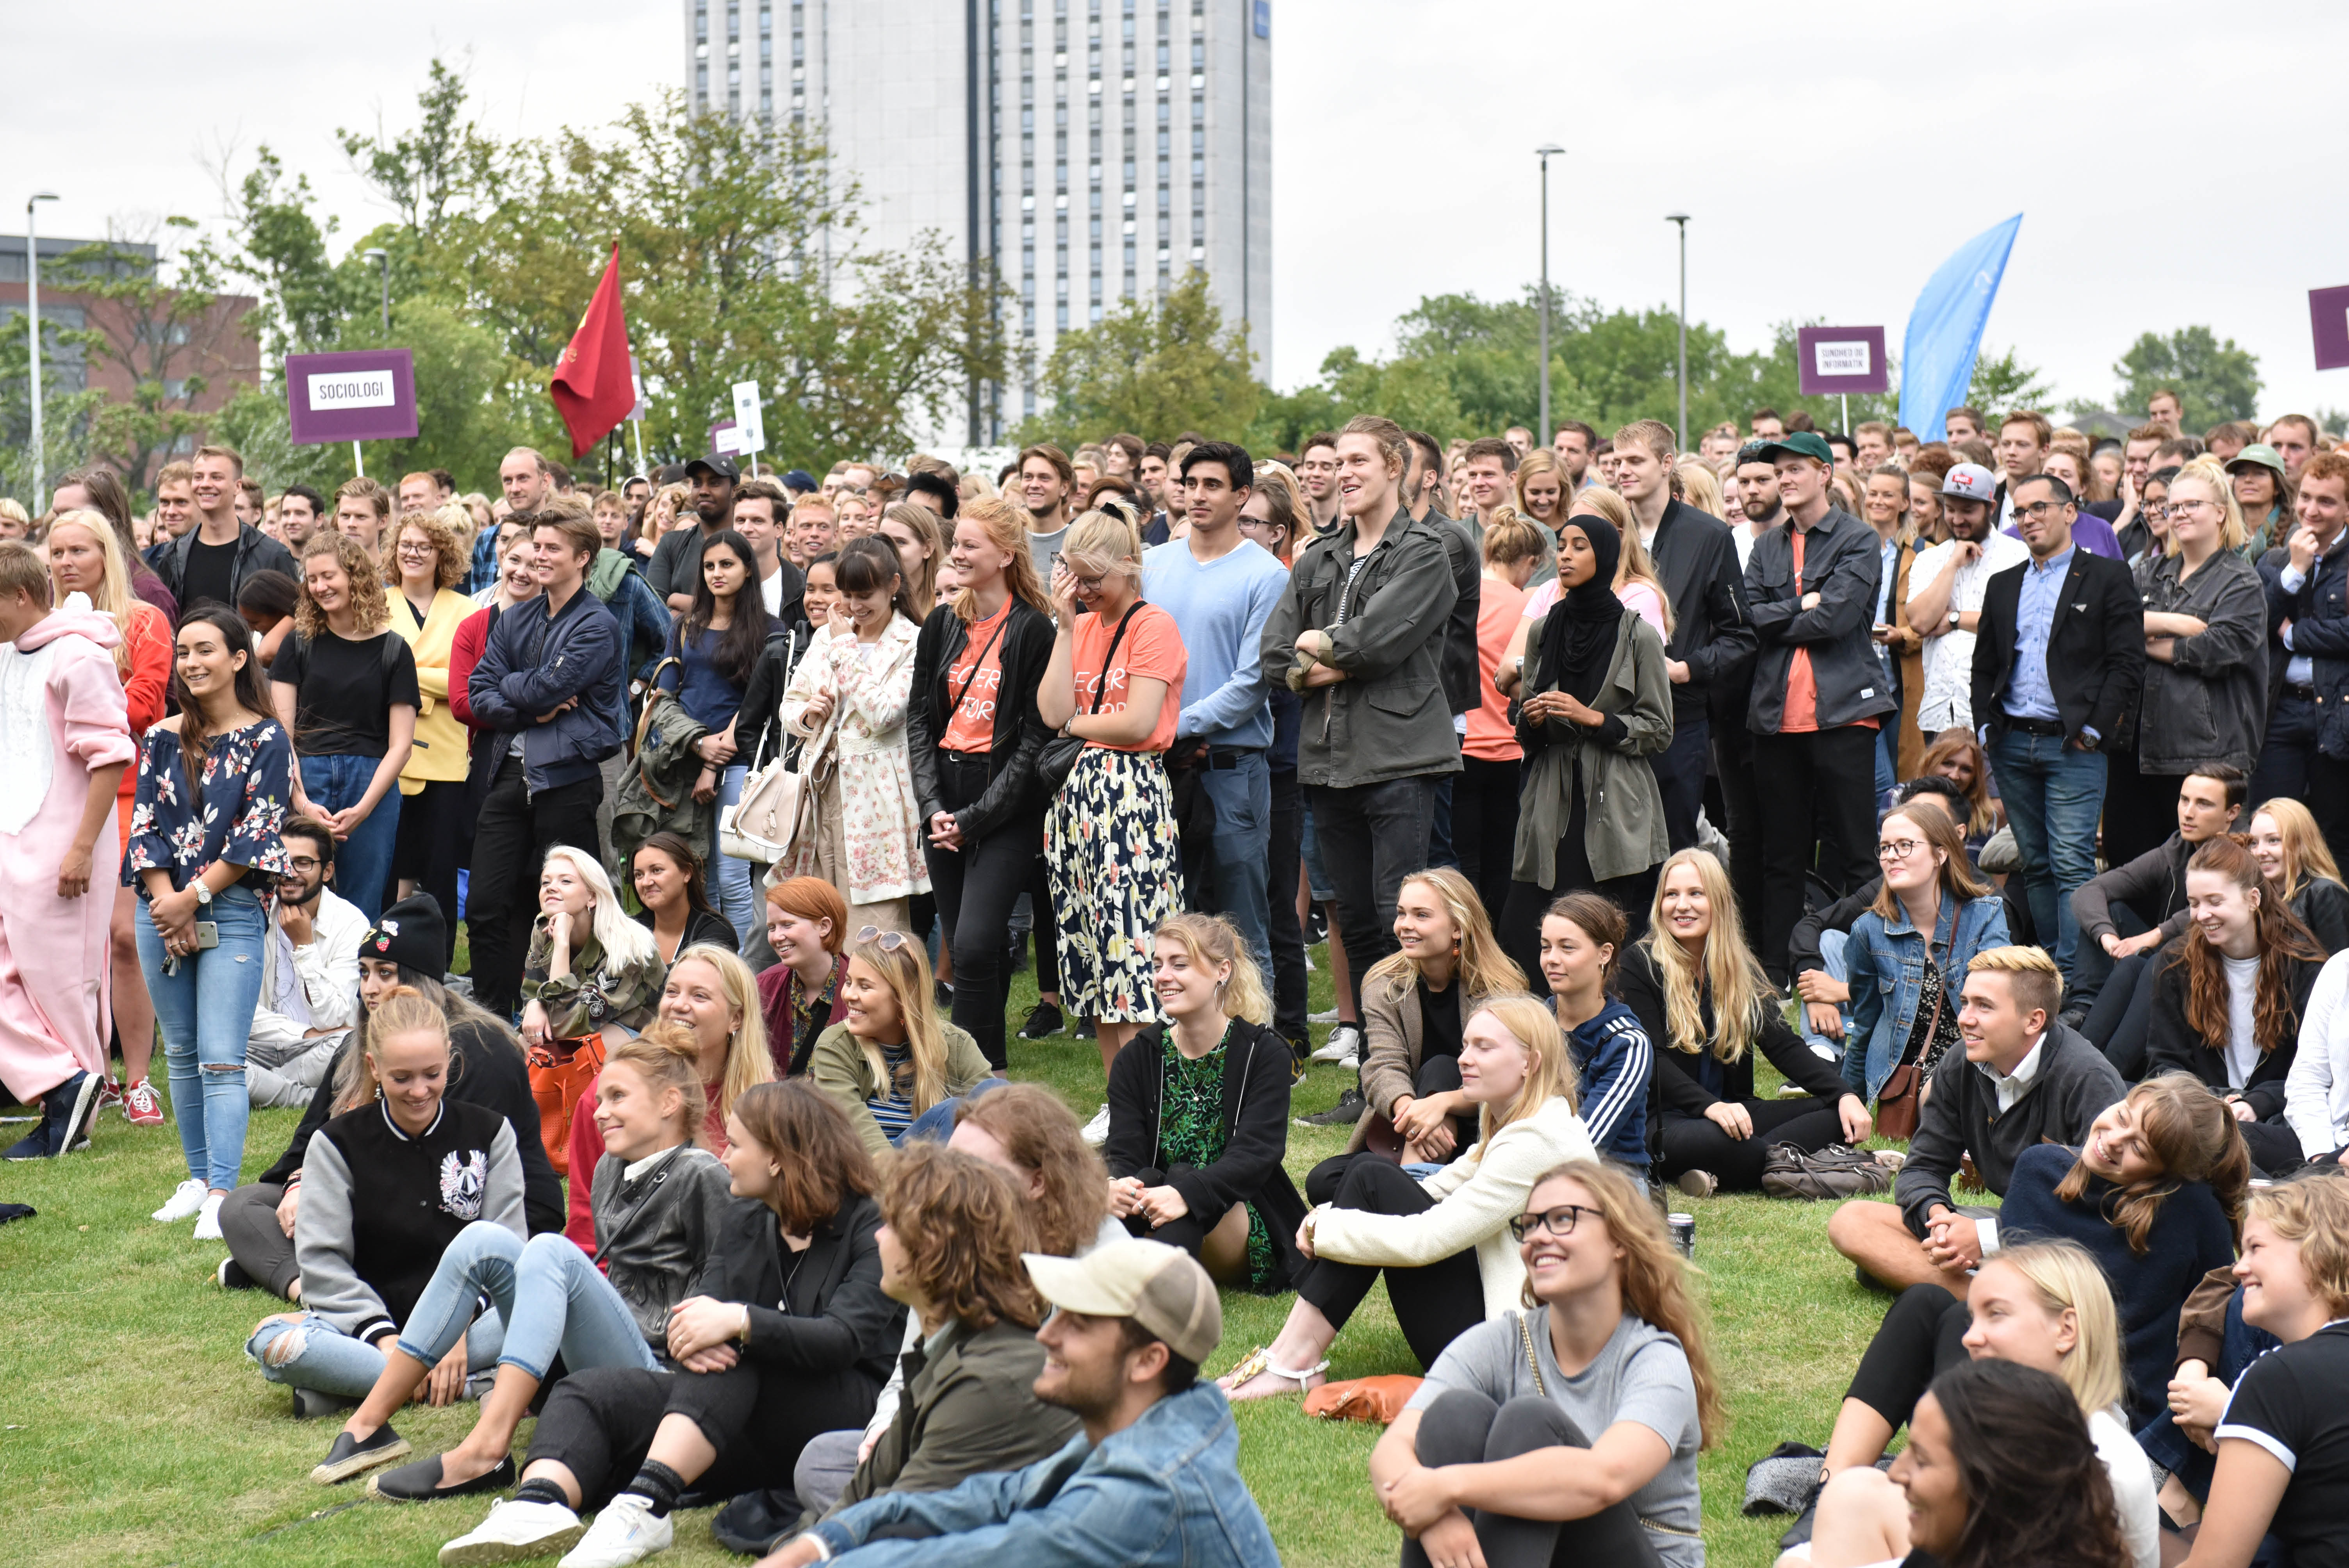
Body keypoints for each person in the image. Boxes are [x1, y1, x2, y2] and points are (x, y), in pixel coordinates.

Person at [432, 1081, 900, 1568]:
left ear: (778, 1159)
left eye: (735, 1145)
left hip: (844, 1412)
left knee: (737, 1354)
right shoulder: (747, 1216)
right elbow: (697, 1310)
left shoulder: (870, 1225)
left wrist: (739, 1321)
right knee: (590, 1391)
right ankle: (538, 1504)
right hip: (740, 1406)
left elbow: (843, 1339)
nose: (723, 1157)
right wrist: (694, 1334)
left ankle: (645, 1506)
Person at [320, 1027, 736, 1499]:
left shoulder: (701, 1173)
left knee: (549, 1249)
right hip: (603, 1361)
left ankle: (487, 1449)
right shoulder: (611, 1168)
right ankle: (369, 1424)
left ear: (669, 1102)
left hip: (661, 1382)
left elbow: (731, 1283)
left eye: (618, 1097)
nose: (599, 1111)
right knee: (482, 1240)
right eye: (601, 1098)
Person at [739, 1238, 1275, 1568]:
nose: (1046, 1335)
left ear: (1147, 1361)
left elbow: (986, 1556)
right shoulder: (1139, 1431)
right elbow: (986, 1501)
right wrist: (826, 1542)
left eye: (1079, 1324)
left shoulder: (1147, 1490)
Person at [1224, 996, 1595, 1397]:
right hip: (1505, 1337)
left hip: (1516, 1365)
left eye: (1484, 1047)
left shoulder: (1537, 1140)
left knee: (1370, 1177)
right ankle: (1289, 1354)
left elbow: (1427, 1239)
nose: (1465, 1059)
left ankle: (1292, 1359)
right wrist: (1332, 1213)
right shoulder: (1528, 1120)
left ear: (1530, 1062)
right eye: (1465, 1045)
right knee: (1370, 1177)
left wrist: (1329, 1229)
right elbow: (1439, 1186)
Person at [737, 1141, 1084, 1556]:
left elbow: (896, 1520)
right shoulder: (944, 1347)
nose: (877, 1235)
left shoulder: (989, 1375)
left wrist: (806, 1551)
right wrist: (808, 1544)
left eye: (890, 1223)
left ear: (934, 1246)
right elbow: (863, 1490)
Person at [1370, 1159, 1718, 1568]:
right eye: (1530, 1224)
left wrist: (1446, 1487)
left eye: (1563, 1219)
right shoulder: (1502, 1342)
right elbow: (1392, 1449)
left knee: (1531, 1423)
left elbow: (1603, 1479)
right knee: (1452, 1412)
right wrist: (1436, 1518)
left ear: (1619, 1240)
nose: (1538, 1236)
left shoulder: (1655, 1359)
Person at [217, 895, 564, 1302]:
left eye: (386, 973)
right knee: (243, 1207)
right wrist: (298, 1184)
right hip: (380, 1199)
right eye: (364, 973)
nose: (371, 988)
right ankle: (308, 1287)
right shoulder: (358, 1045)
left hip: (474, 1210)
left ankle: (308, 1272)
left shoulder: (478, 1049)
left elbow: (449, 1176)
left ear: (421, 981)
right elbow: (308, 1144)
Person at [1260, 415, 1461, 1035]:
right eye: (1338, 462)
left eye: (1357, 462)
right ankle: (1376, 1066)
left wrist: (1323, 646)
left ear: (1394, 468)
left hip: (1400, 758)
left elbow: (1375, 643)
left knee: (1403, 920)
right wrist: (1323, 663)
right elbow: (1274, 655)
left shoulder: (1425, 552)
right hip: (1328, 763)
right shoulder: (1318, 556)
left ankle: (1424, 1058)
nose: (1343, 474)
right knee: (1356, 921)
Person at [242, 985, 527, 1412]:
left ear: (450, 1057)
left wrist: (456, 1328)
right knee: (274, 1343)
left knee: (550, 1307)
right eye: (402, 1078)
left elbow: (509, 1252)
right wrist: (385, 1338)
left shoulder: (491, 1133)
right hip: (369, 1332)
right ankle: (468, 1383)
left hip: (473, 1327)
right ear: (374, 1066)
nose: (419, 1091)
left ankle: (358, 1388)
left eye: (432, 1074)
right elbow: (323, 1265)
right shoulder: (335, 1143)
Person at [1791, 1240, 2159, 1568]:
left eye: (1995, 1314)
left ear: (2066, 1330)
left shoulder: (2105, 1463)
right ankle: (1826, 1493)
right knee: (1853, 1492)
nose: (1969, 1338)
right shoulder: (2010, 1422)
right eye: (1972, 1318)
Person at [122, 605, 292, 1229]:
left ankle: (223, 1194)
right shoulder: (161, 738)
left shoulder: (268, 739)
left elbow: (256, 838)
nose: (191, 664)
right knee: (182, 1052)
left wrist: (189, 900)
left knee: (222, 1058)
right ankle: (197, 1180)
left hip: (232, 908)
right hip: (160, 909)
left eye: (205, 651)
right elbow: (144, 828)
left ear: (240, 659)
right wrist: (167, 905)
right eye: (184, 653)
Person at [1829, 946, 2125, 1293]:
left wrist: (1988, 1239)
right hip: (2012, 1228)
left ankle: (1984, 1294)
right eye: (1965, 1002)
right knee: (1852, 1222)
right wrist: (1939, 1219)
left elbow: (2105, 1208)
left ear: (2034, 1021)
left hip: (2074, 1241)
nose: (1965, 1018)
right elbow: (1923, 1167)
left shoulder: (2087, 1078)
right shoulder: (1962, 1062)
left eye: (1984, 1006)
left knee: (1886, 1260)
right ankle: (1996, 1293)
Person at [1971, 471, 2147, 981]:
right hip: (2011, 742)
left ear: (2070, 511)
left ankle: (2079, 984)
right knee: (2035, 863)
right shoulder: (2004, 583)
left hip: (2074, 746)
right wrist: (1986, 730)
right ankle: (2052, 974)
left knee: (2072, 864)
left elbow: (2127, 662)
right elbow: (1985, 664)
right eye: (2020, 511)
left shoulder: (2107, 576)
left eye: (2039, 508)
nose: (2028, 519)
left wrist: (2094, 732)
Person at [1617, 849, 1870, 1196]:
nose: (1682, 905)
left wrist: (1844, 1094)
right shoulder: (1638, 965)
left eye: (1696, 893)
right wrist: (1711, 1107)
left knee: (1835, 1114)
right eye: (1671, 895)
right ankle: (1781, 1161)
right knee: (1724, 1140)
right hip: (1662, 1119)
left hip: (1733, 1112)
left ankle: (1727, 1170)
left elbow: (1783, 1045)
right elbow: (1652, 1062)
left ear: (1719, 902)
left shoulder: (1737, 968)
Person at [906, 499, 1055, 1071]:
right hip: (944, 795)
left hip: (1006, 801)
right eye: (957, 544)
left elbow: (1035, 741)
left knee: (970, 944)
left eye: (971, 545)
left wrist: (974, 820)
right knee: (975, 946)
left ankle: (964, 1074)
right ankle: (989, 1069)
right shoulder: (942, 623)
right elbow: (920, 720)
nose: (957, 555)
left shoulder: (1033, 629)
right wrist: (933, 806)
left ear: (1006, 556)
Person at [1039, 509, 1187, 1078]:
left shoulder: (1154, 625)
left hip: (1130, 802)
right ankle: (1122, 1103)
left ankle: (1152, 1101)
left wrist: (1076, 726)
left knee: (1135, 955)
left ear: (1128, 566)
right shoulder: (1080, 627)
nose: (1084, 590)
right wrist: (1065, 626)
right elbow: (1051, 710)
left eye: (1094, 578)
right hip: (1076, 805)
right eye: (1074, 577)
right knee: (1094, 960)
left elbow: (1137, 723)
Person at [1495, 505, 1671, 979]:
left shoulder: (1637, 635)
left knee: (1599, 932)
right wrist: (1531, 717)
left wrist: (1594, 718)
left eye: (1579, 546)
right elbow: (1525, 727)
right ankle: (1533, 1021)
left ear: (1606, 555)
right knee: (1521, 929)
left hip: (1613, 802)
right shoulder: (1544, 628)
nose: (1565, 556)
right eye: (1561, 546)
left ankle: (1602, 1020)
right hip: (1548, 798)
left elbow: (1659, 729)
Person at [1744, 433, 1896, 982]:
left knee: (1858, 853)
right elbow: (1746, 618)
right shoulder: (1766, 546)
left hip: (1844, 715)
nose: (1783, 479)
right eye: (1778, 471)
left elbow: (1834, 620)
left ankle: (1867, 968)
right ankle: (1779, 973)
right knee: (1781, 855)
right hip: (1775, 719)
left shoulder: (1858, 538)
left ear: (1825, 473)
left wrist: (1781, 616)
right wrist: (1799, 603)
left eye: (1794, 469)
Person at [466, 510, 629, 1019]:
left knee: (565, 911)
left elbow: (547, 687)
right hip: (507, 777)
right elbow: (479, 691)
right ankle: (494, 1021)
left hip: (567, 778)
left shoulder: (597, 624)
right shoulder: (514, 618)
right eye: (536, 546)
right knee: (485, 906)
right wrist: (529, 703)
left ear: (583, 558)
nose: (539, 556)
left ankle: (568, 1016)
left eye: (552, 548)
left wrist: (517, 687)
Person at [0, 542, 133, 1160]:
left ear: (22, 596)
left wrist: (82, 850)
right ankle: (62, 1086)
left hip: (64, 849)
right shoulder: (9, 654)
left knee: (63, 986)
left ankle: (70, 1118)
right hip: (14, 841)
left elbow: (111, 756)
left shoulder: (80, 655)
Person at [42, 508, 171, 1126]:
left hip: (128, 792)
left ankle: (138, 1078)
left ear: (106, 556)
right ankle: (85, 1077)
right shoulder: (37, 630)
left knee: (124, 937)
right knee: (66, 944)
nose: (67, 563)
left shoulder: (143, 622)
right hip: (54, 797)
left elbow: (141, 709)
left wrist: (79, 704)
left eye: (79, 551)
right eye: (57, 552)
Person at [1142, 442, 1289, 976]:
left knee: (1240, 928)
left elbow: (1251, 684)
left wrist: (1168, 725)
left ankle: (1256, 1032)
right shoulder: (1151, 564)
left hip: (1230, 769)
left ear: (1241, 495)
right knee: (1166, 924)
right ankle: (1178, 1032)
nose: (1198, 496)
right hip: (1155, 767)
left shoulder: (1267, 575)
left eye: (1213, 485)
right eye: (1190, 484)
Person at [1104, 914, 1305, 1290]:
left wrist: (1185, 1193)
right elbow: (1124, 1149)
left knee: (1182, 1175)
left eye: (1179, 965)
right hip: (1155, 1207)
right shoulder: (1137, 1057)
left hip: (1236, 1219)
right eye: (1158, 965)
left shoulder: (1263, 1053)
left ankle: (1158, 1294)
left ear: (1222, 971)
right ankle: (1124, 1280)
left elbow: (1255, 1155)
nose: (1163, 976)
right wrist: (1116, 1185)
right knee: (1144, 1180)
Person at [2106, 460, 2268, 871]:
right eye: (2173, 506)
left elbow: (2219, 648)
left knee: (2205, 872)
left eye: (2191, 504)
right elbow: (2107, 626)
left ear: (2221, 512)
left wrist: (2144, 639)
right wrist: (2174, 624)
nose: (2178, 513)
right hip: (2135, 749)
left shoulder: (2240, 581)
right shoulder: (2147, 572)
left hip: (2205, 753)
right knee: (2130, 865)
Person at [1610, 420, 1758, 853]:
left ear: (1666, 463)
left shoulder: (1708, 535)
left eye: (1635, 460)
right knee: (1613, 850)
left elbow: (1741, 634)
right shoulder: (1606, 530)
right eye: (1618, 461)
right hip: (1607, 715)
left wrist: (1687, 668)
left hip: (1678, 715)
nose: (1623, 470)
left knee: (1674, 847)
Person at [564, 946, 775, 1246]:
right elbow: (587, 1226)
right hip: (624, 1269)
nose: (679, 1005)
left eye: (699, 996)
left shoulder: (764, 1101)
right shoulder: (611, 1096)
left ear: (736, 1019)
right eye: (672, 992)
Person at [776, 535, 929, 939]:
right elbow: (789, 707)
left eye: (865, 595)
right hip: (817, 791)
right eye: (847, 595)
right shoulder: (827, 635)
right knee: (815, 918)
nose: (855, 605)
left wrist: (846, 647)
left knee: (874, 929)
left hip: (876, 797)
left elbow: (884, 714)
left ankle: (879, 984)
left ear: (893, 586)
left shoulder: (912, 642)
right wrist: (808, 714)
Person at [2144, 837, 2324, 1174]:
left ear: (2253, 899)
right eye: (2194, 903)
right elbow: (2165, 1062)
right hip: (2201, 1116)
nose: (2202, 915)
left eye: (2215, 901)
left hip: (2280, 1119)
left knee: (2229, 1142)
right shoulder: (2176, 964)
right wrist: (2208, 1103)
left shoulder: (2304, 967)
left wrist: (2257, 1102)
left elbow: (2316, 1073)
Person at [1338, 868, 1528, 1173]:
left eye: (1422, 915)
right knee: (1323, 1181)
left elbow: (1508, 1081)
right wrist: (1414, 1114)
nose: (1405, 925)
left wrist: (1443, 1103)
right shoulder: (1383, 984)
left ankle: (1409, 1188)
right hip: (1410, 1129)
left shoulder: (1500, 989)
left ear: (1457, 928)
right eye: (1402, 913)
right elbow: (1383, 1067)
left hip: (1484, 1126)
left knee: (1442, 1067)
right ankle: (1417, 1182)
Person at [273, 532, 419, 922]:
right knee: (297, 897)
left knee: (361, 907)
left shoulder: (394, 650)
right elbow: (282, 735)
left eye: (329, 576)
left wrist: (364, 808)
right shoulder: (298, 643)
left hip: (371, 781)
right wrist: (301, 801)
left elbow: (401, 745)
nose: (320, 587)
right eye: (312, 579)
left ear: (355, 577)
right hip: (307, 775)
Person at [1843, 803, 2013, 1113]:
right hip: (1914, 1072)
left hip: (1981, 1055)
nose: (1891, 856)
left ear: (1940, 854)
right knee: (1945, 1091)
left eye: (1905, 845)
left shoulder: (1985, 915)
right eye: (1885, 848)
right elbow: (1865, 1022)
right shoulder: (1868, 931)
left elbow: (1998, 1001)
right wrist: (1844, 1100)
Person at [656, 526, 775, 943]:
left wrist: (713, 761)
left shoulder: (769, 628)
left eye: (727, 564)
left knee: (732, 876)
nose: (717, 573)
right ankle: (701, 960)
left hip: (739, 760)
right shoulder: (685, 625)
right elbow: (665, 695)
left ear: (748, 569)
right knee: (694, 875)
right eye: (709, 566)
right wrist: (695, 745)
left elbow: (757, 702)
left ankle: (737, 968)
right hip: (684, 756)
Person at [2074, 768, 2247, 1047]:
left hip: (2209, 965)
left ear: (2232, 813)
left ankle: (2108, 1063)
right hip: (2167, 954)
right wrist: (2108, 938)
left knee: (2154, 963)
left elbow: (2212, 912)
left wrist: (2156, 935)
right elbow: (2090, 891)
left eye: (2203, 804)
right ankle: (2082, 1008)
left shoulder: (2244, 852)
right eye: (2184, 800)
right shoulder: (2177, 848)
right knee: (2112, 916)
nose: (2188, 813)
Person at [806, 924, 993, 1159]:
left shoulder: (954, 1044)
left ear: (904, 997)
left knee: (993, 1093)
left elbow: (1003, 1118)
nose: (849, 995)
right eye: (849, 982)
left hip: (942, 1170)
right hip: (878, 1172)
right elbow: (856, 1136)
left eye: (864, 986)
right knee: (953, 1110)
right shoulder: (837, 1046)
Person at [384, 506, 475, 950]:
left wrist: (405, 678)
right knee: (390, 865)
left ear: (442, 554)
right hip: (390, 756)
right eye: (406, 545)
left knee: (440, 869)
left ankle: (437, 961)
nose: (414, 553)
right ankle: (384, 954)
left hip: (446, 757)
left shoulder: (467, 609)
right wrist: (437, 681)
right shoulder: (376, 605)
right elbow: (372, 674)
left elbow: (470, 680)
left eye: (425, 546)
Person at [2251, 449, 2349, 858]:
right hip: (2280, 710)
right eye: (2306, 497)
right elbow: (2254, 623)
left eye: (2326, 501)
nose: (2311, 509)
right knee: (2272, 830)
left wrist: (2292, 635)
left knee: (2334, 837)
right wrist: (2293, 572)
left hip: (2338, 711)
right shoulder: (2275, 559)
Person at [244, 818, 370, 1109]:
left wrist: (304, 946)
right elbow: (240, 1011)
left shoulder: (351, 923)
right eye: (283, 861)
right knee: (209, 1051)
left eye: (303, 863)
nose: (290, 873)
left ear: (327, 871)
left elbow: (332, 1018)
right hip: (262, 1046)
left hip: (323, 1047)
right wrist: (302, 1033)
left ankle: (260, 1085)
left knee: (350, 1044)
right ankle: (308, 1097)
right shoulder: (253, 913)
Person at [1905, 463, 2032, 746]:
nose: (1957, 519)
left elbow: (2018, 623)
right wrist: (1952, 565)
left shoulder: (2019, 556)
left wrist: (1954, 619)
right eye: (1951, 509)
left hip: (2000, 712)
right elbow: (1921, 623)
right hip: (1941, 711)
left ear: (1991, 508)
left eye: (1968, 511)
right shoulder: (1930, 559)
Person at [1458, 516, 1543, 920]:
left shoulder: (1459, 596)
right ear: (1530, 561)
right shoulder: (1527, 608)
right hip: (1509, 750)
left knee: (1462, 861)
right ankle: (1499, 946)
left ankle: (1465, 942)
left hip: (1462, 746)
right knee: (1503, 862)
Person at [1537, 893, 1655, 1176]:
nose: (1552, 959)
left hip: (1609, 1181)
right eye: (1546, 947)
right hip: (1526, 1165)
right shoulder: (1534, 1022)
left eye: (1567, 948)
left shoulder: (1628, 1043)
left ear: (1605, 954)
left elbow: (1585, 1144)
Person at [521, 845, 665, 1059]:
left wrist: (562, 945)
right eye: (546, 882)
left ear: (592, 897)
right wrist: (534, 1004)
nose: (551, 888)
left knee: (580, 1056)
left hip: (645, 1036)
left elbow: (566, 1025)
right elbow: (532, 990)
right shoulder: (543, 928)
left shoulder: (626, 947)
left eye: (565, 881)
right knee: (521, 1047)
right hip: (585, 1025)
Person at [148, 443, 297, 610]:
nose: (205, 484)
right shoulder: (173, 556)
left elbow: (295, 616)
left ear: (238, 487)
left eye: (216, 477)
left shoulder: (272, 555)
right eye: (198, 477)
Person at [756, 875, 851, 1077]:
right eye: (772, 928)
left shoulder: (862, 990)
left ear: (824, 927)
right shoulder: (765, 987)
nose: (776, 937)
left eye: (787, 925)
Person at [2246, 796, 2349, 951]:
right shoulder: (2258, 897)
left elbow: (2341, 962)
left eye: (2273, 840)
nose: (2260, 852)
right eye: (2254, 843)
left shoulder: (2324, 894)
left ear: (2302, 844)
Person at [645, 451, 741, 614]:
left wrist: (680, 602)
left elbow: (747, 609)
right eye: (697, 484)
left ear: (734, 491)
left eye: (714, 483)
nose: (703, 491)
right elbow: (653, 612)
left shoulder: (749, 541)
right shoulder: (671, 543)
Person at [630, 832, 737, 970]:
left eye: (656, 870)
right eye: (639, 875)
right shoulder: (629, 932)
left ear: (687, 873)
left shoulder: (716, 933)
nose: (646, 882)